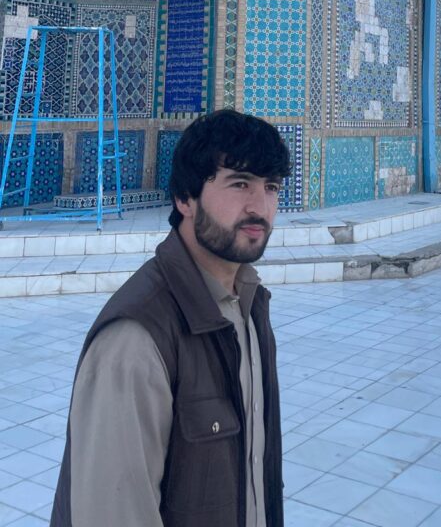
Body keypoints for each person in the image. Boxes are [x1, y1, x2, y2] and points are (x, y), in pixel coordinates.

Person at [51, 109, 290, 527]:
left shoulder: (248, 306)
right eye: (239, 184)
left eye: (271, 187)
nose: (260, 207)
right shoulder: (137, 340)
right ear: (185, 198)